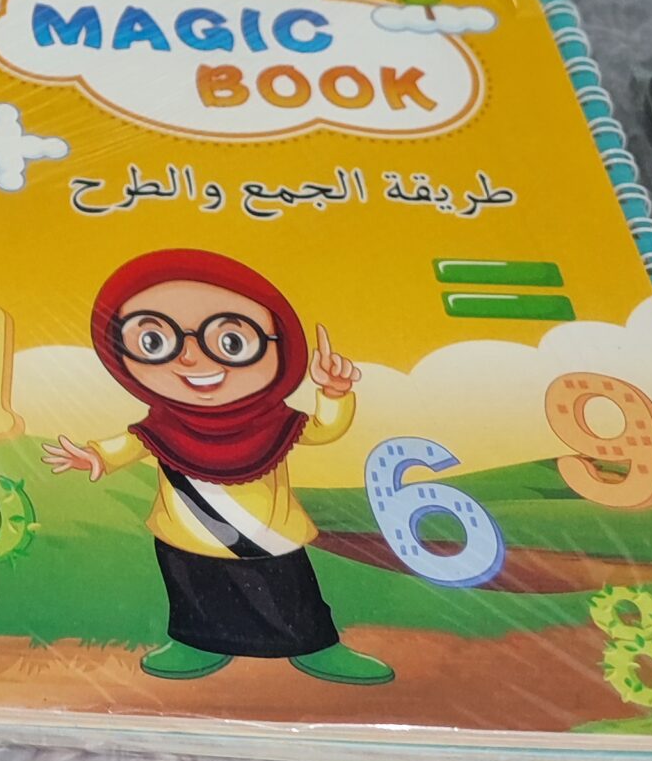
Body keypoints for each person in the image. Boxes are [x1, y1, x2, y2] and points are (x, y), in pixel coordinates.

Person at [42, 247, 393, 684]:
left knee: (291, 596)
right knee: (194, 595)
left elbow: (322, 429)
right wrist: (95, 455)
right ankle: (195, 643)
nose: (191, 358)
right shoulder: (163, 424)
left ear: (280, 346)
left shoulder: (273, 420)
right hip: (187, 535)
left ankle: (316, 646)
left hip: (268, 536)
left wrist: (335, 393)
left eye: (231, 342)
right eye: (155, 342)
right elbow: (131, 443)